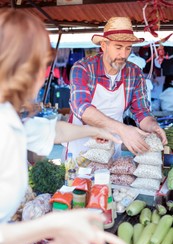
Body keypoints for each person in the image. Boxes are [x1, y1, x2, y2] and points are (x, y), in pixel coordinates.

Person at [0, 9, 122, 244]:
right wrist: (52, 225)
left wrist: (96, 129)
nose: (45, 75)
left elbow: (51, 132)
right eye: (42, 65)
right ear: (24, 66)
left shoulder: (9, 115)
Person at [68, 17, 167, 159]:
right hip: (80, 146)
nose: (123, 55)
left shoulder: (134, 73)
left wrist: (153, 126)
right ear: (103, 45)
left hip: (114, 145)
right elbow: (82, 108)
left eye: (128, 48)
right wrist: (122, 129)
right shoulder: (83, 68)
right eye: (118, 47)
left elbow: (141, 112)